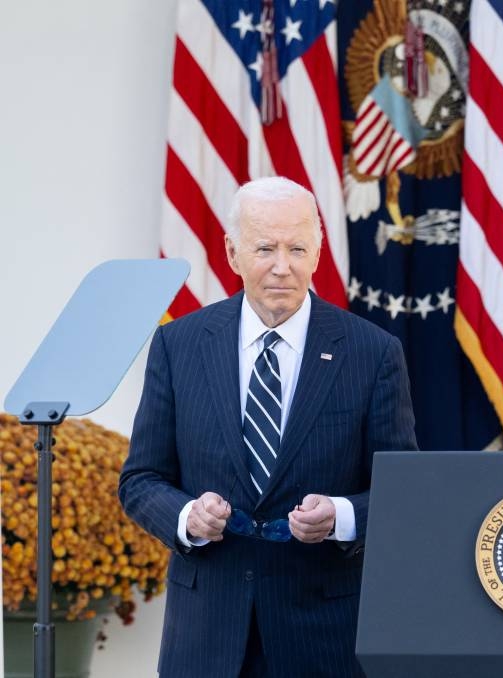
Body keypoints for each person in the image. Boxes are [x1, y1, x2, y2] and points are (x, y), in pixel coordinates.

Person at [119, 176, 417, 677]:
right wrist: (187, 517)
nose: (283, 266)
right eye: (265, 248)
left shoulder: (373, 352)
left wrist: (342, 516)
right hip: (205, 639)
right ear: (232, 253)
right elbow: (141, 480)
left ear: (318, 253)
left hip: (324, 637)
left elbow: (405, 490)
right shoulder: (178, 345)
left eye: (297, 248)